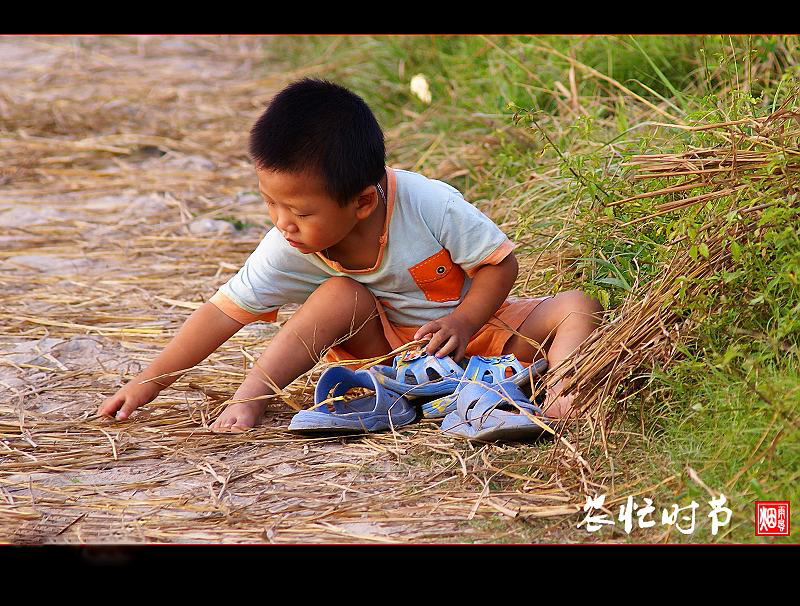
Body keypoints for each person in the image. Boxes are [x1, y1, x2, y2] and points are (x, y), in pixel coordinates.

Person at [98, 78, 603, 432]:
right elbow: (220, 313)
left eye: (297, 209)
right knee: (340, 293)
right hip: (385, 358)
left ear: (363, 200)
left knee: (576, 305)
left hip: (479, 336)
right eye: (270, 203)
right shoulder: (291, 244)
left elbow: (499, 263)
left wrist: (467, 319)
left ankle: (559, 394)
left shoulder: (429, 204)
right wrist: (149, 383)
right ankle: (254, 397)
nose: (281, 222)